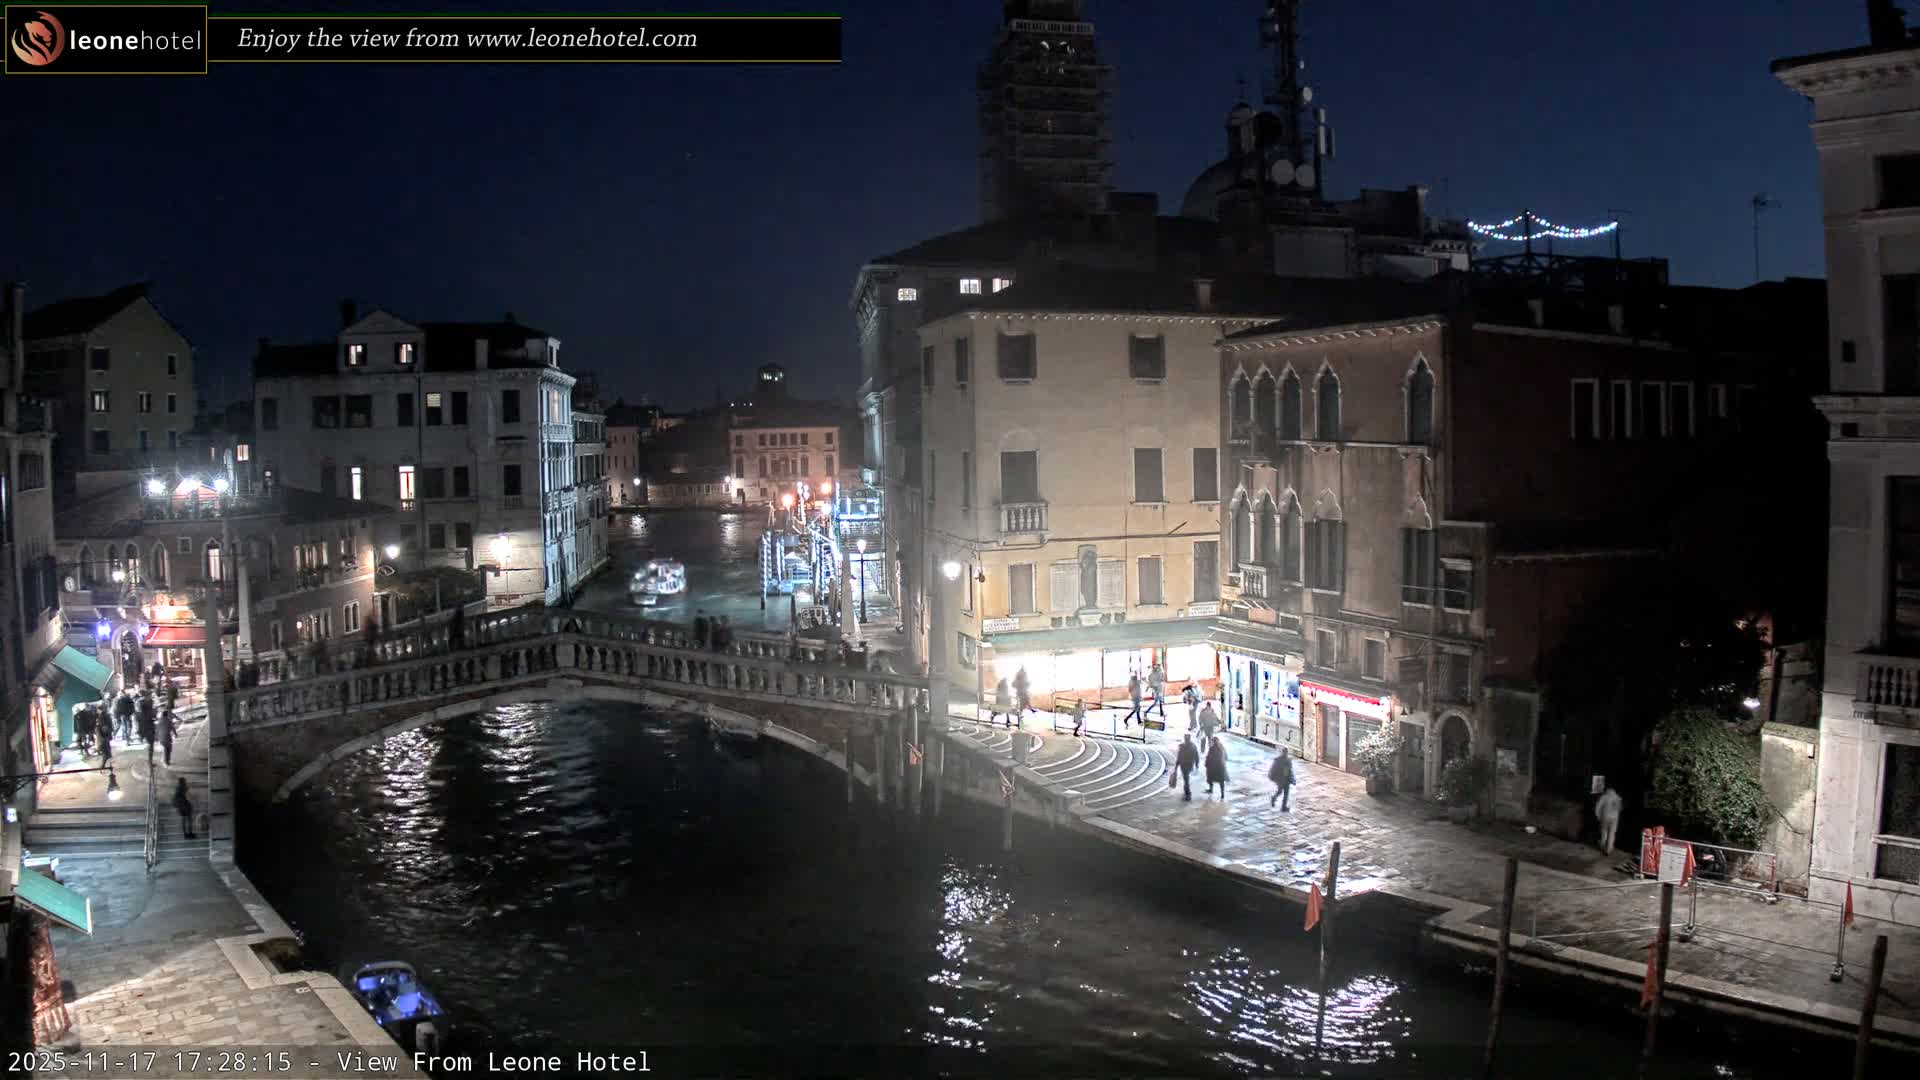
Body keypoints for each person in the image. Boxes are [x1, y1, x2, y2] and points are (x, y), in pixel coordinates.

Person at [1595, 786, 1624, 854]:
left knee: (1604, 832)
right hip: (1614, 818)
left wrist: (1598, 816)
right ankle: (1609, 849)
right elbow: (1620, 808)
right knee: (1612, 833)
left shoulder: (1604, 797)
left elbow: (1598, 807)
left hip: (1605, 817)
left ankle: (1602, 846)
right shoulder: (1617, 797)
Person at [1176, 733, 1201, 802]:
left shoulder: (1183, 746)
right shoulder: (1193, 746)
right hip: (1188, 764)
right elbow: (1196, 755)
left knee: (1186, 779)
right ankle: (1187, 792)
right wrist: (1196, 764)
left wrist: (1176, 765)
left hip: (1185, 765)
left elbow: (1179, 756)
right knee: (1186, 778)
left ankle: (1188, 793)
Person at [1204, 735, 1229, 800]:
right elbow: (1226, 757)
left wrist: (1206, 764)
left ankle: (1211, 789)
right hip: (1221, 767)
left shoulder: (1212, 748)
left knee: (1210, 778)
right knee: (1221, 781)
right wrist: (1224, 762)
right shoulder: (1222, 747)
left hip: (1213, 767)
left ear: (1213, 742)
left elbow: (1209, 757)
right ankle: (1222, 794)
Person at [138, 694, 157, 765]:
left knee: (150, 746)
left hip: (145, 731)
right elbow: (153, 717)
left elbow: (139, 725)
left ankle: (150, 761)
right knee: (151, 747)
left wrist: (140, 735)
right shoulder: (148, 713)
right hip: (149, 731)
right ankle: (150, 761)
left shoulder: (140, 714)